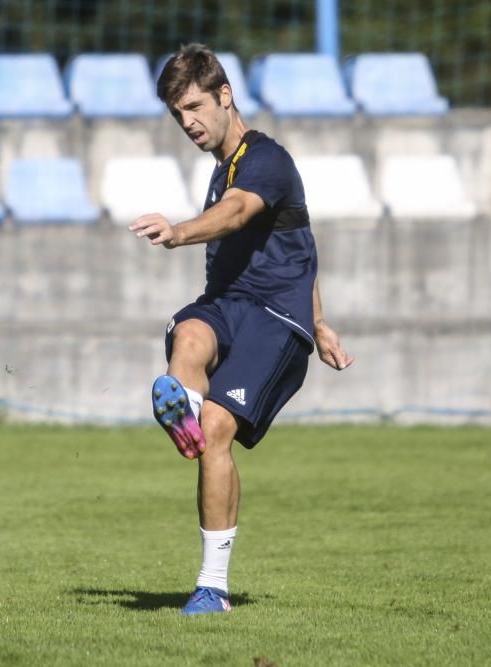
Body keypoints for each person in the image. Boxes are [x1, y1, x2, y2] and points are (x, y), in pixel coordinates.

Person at [129, 44, 353, 614]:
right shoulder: (221, 171)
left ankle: (213, 588)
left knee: (218, 428)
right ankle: (180, 403)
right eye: (178, 115)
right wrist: (325, 318)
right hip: (228, 304)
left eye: (195, 107)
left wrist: (178, 232)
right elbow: (301, 242)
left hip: (276, 320)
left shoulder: (266, 160)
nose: (189, 123)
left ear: (225, 96)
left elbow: (235, 214)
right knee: (188, 336)